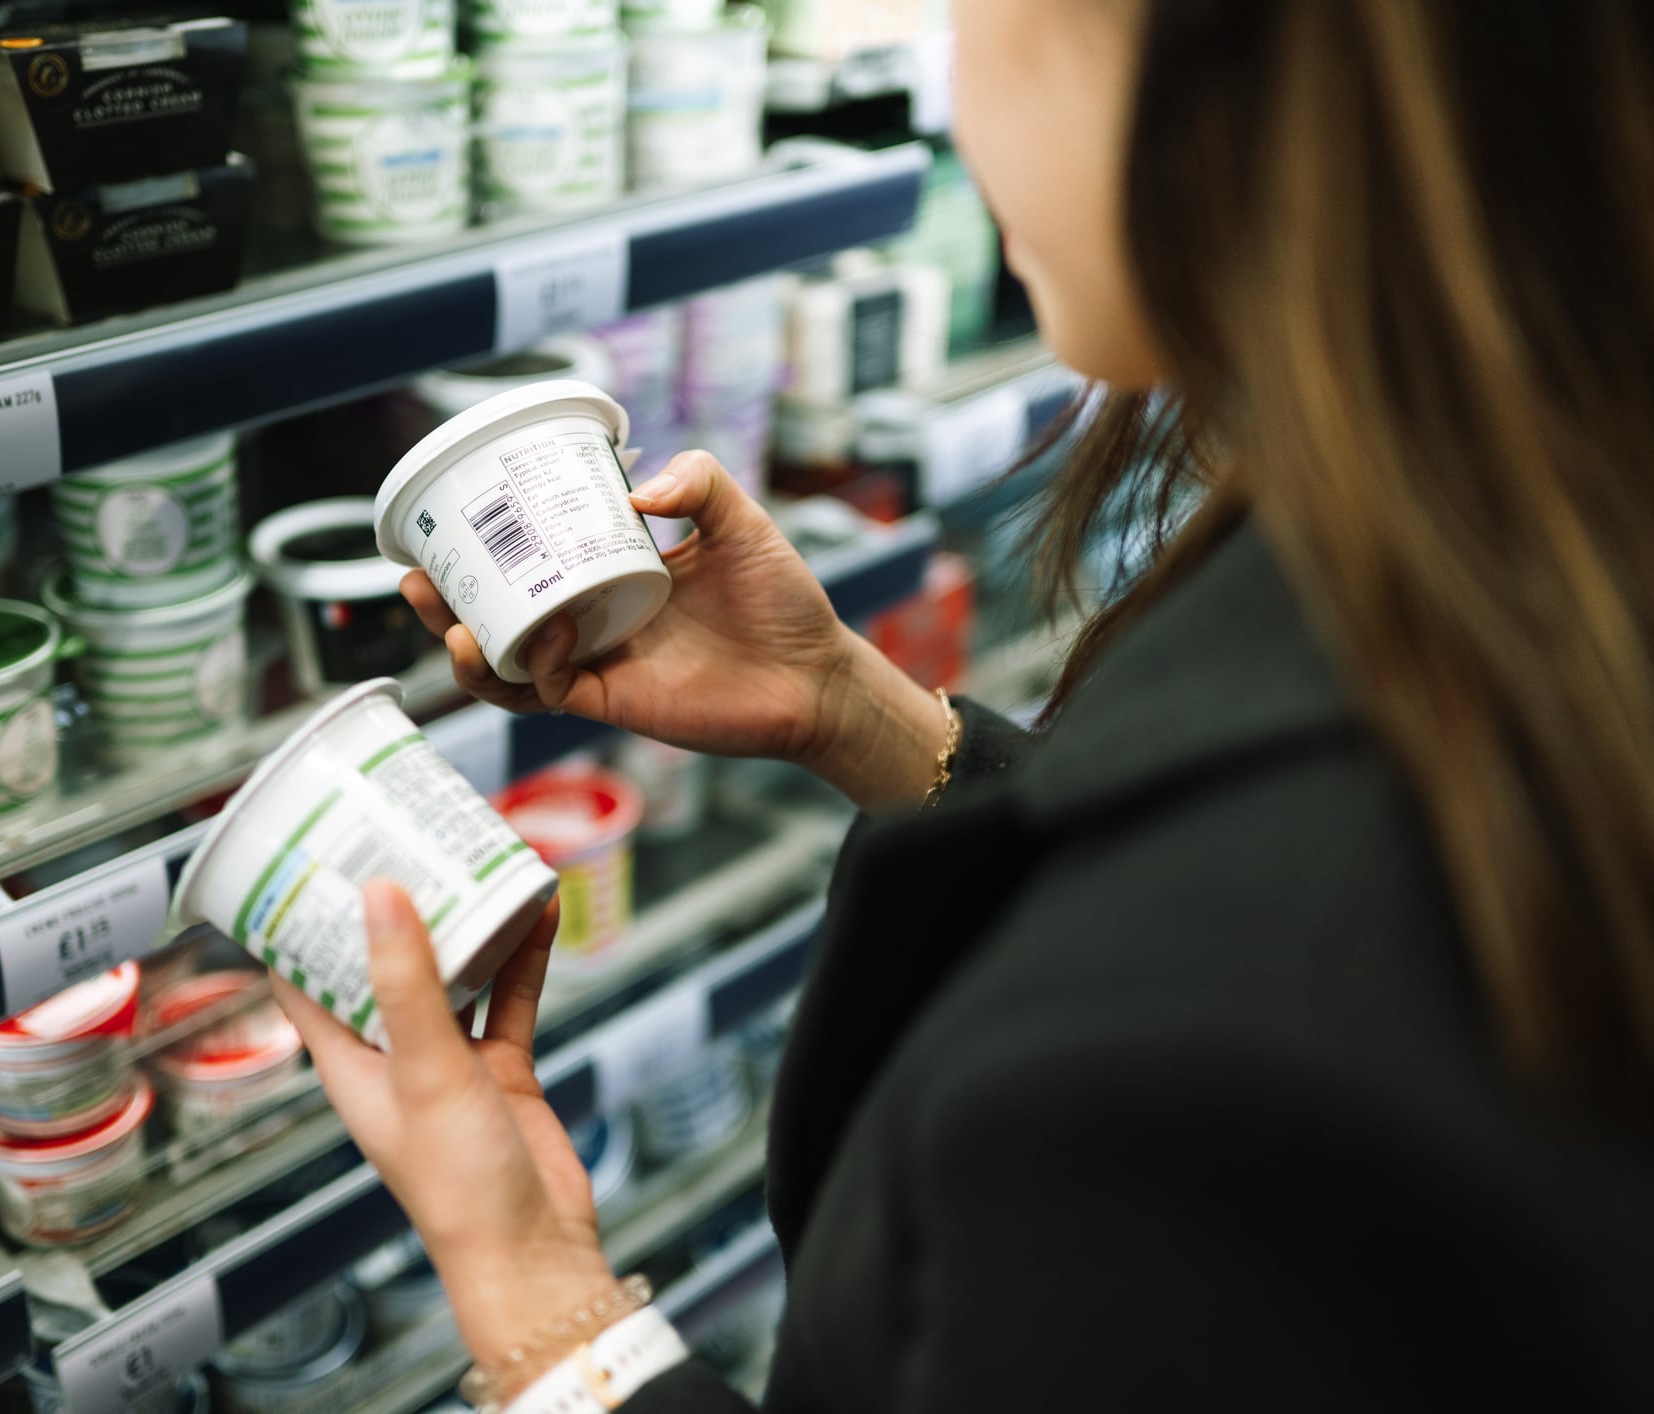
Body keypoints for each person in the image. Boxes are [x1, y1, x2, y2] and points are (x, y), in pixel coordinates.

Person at [268, 1, 1654, 1409]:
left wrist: (531, 1293)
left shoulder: (1192, 1048)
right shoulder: (1520, 551)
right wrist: (848, 711)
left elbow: (1209, 955)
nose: (952, 57)